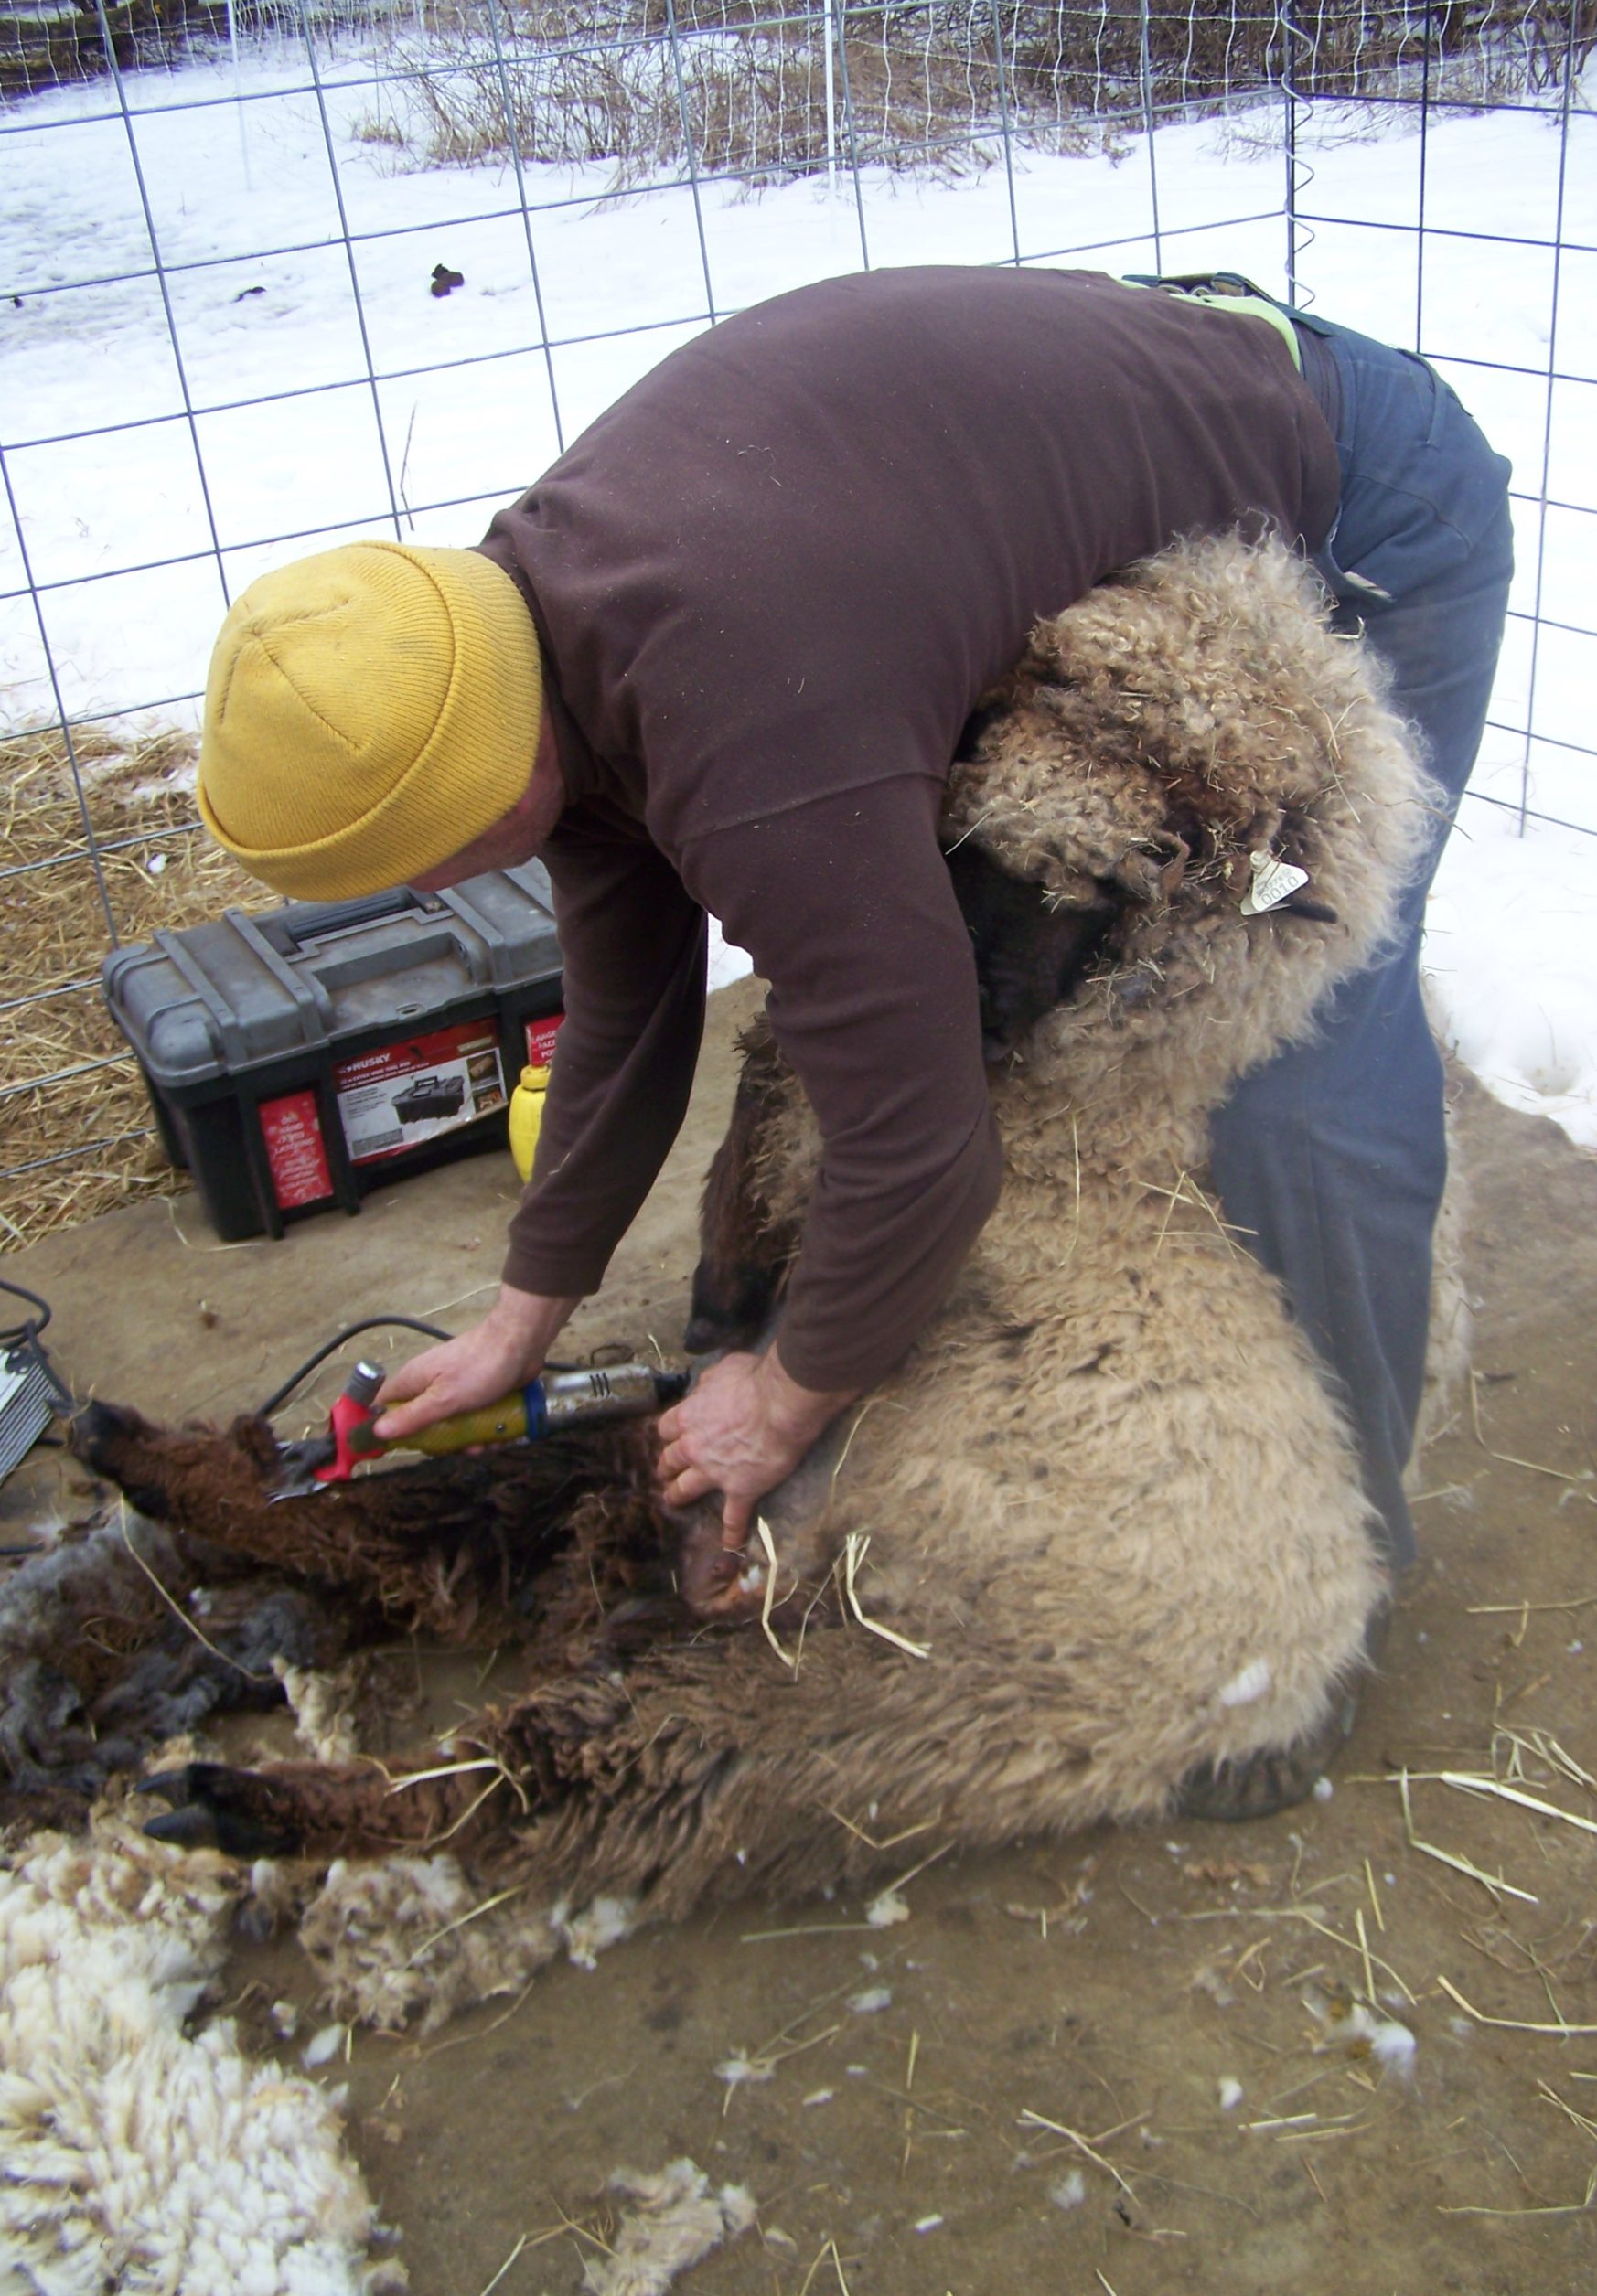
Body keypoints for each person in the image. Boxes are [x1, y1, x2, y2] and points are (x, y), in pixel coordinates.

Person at [198, 263, 1512, 1810]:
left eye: (425, 855)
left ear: (487, 760)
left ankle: (1308, 1600)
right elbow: (628, 1001)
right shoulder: (521, 647)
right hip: (1082, 467)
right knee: (921, 984)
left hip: (1357, 497)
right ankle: (840, 1370)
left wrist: (784, 1396)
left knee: (1298, 1043)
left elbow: (921, 1144)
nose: (429, 891)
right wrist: (522, 1313)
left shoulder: (748, 722)